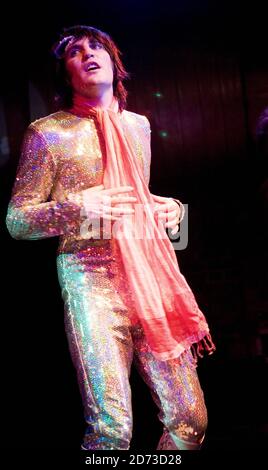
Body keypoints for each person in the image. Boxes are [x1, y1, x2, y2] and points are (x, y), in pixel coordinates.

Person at [6, 25, 215, 450]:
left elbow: (136, 196)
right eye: (75, 52)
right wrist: (78, 207)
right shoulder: (47, 133)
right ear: (65, 74)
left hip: (150, 281)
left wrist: (173, 210)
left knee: (190, 423)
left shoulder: (138, 126)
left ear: (113, 61)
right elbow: (17, 221)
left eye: (96, 46)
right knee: (111, 429)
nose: (88, 54)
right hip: (90, 280)